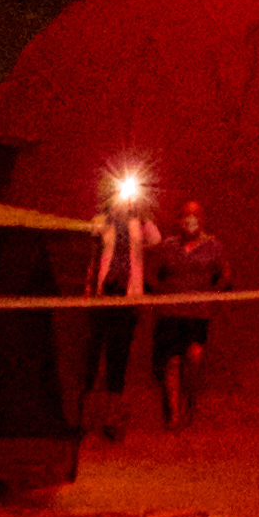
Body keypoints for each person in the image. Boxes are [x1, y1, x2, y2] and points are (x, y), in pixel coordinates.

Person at [83, 177, 157, 441]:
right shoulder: (101, 223)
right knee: (90, 357)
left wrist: (143, 212)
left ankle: (112, 417)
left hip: (127, 300)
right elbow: (90, 251)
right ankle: (86, 417)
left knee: (118, 358)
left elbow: (155, 240)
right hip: (102, 297)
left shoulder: (139, 225)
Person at [151, 200, 227, 430]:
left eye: (194, 215)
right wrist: (162, 294)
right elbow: (154, 274)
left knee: (194, 358)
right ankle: (173, 414)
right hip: (171, 314)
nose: (190, 220)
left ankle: (190, 402)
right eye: (185, 215)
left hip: (198, 315)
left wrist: (212, 294)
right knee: (172, 362)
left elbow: (224, 274)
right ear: (179, 219)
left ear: (202, 219)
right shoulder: (168, 246)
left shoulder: (213, 245)